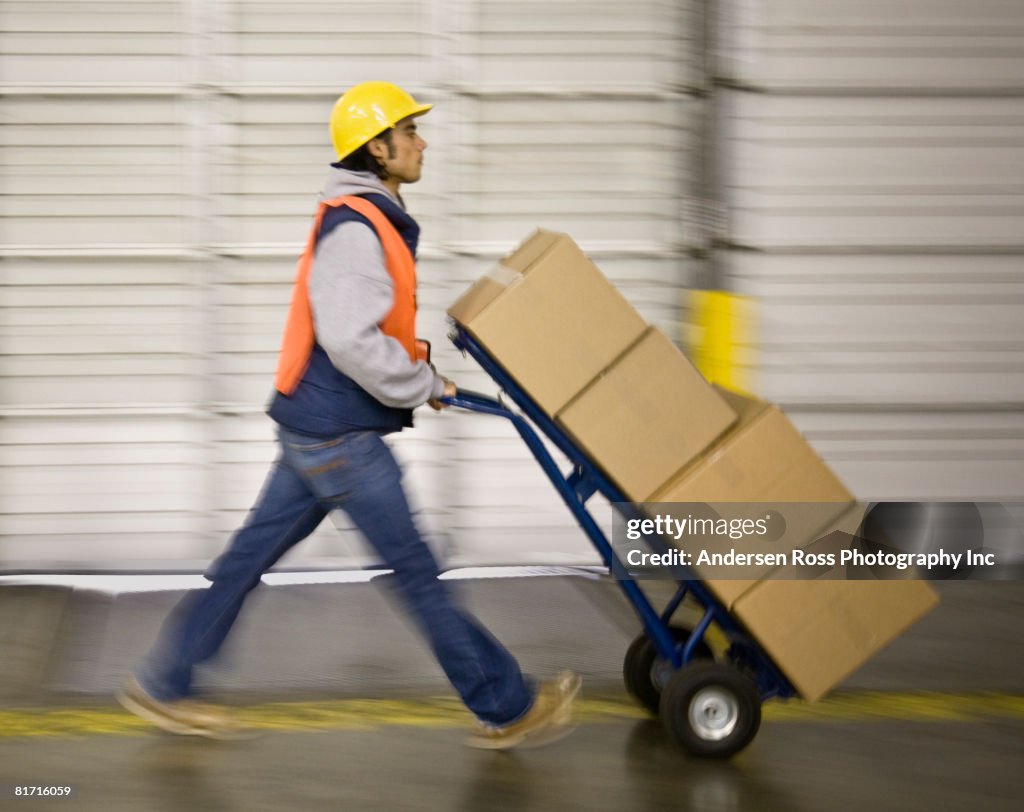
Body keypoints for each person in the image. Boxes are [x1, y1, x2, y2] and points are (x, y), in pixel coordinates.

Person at [117, 81, 581, 749]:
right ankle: (507, 705)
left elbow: (364, 333)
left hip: (315, 429)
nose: (423, 142)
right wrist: (420, 383)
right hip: (339, 438)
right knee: (417, 574)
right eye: (409, 133)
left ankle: (165, 682)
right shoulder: (359, 229)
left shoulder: (366, 219)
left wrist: (425, 381)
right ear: (377, 148)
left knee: (247, 560)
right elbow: (350, 338)